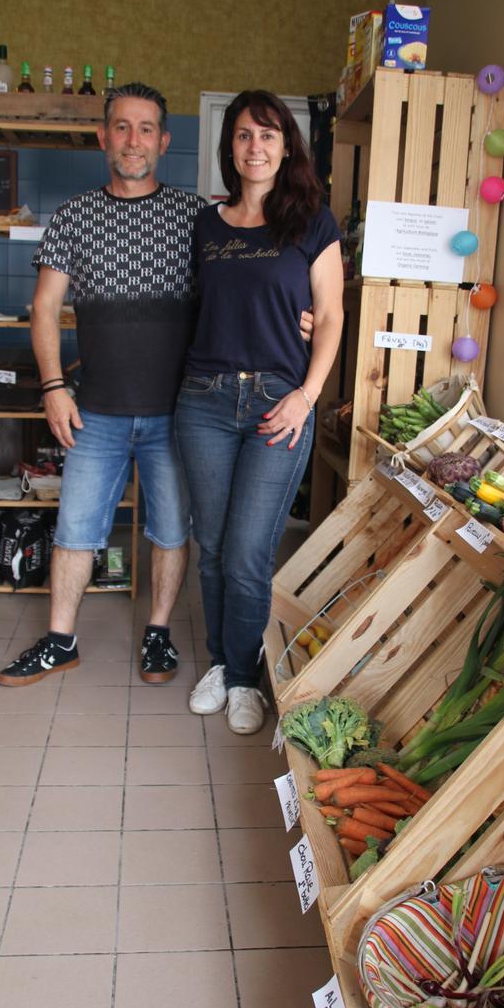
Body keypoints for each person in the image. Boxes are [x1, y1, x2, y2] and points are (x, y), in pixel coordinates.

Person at [0, 82, 202, 687]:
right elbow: (43, 308)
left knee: (169, 531)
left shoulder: (194, 218)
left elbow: (239, 293)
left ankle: (158, 634)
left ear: (162, 141)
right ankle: (61, 641)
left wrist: (293, 316)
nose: (132, 140)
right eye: (121, 127)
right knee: (75, 533)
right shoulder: (74, 217)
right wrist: (53, 386)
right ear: (102, 137)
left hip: (176, 414)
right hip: (96, 415)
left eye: (145, 128)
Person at [175, 90, 344, 734]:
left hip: (280, 404)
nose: (256, 147)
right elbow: (196, 308)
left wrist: (307, 394)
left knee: (248, 550)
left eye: (269, 135)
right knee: (213, 547)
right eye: (245, 135)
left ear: (287, 147)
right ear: (231, 147)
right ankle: (223, 664)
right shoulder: (205, 224)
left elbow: (328, 316)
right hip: (205, 401)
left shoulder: (311, 223)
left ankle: (246, 676)